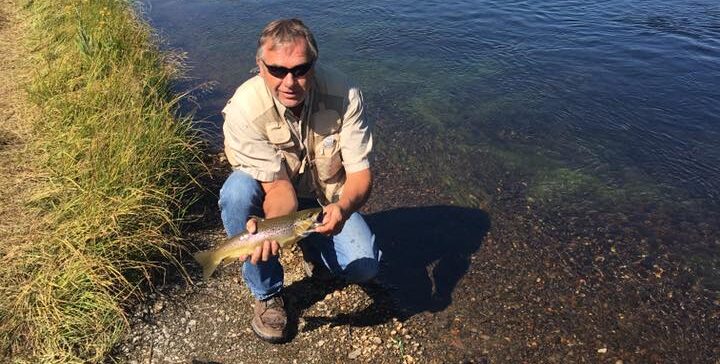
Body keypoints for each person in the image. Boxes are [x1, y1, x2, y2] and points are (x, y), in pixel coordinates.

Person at [218, 18, 381, 343]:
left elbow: (361, 175)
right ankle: (267, 293)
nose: (289, 81)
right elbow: (278, 187)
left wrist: (344, 208)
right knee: (236, 191)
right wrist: (269, 229)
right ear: (260, 65)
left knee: (365, 268)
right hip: (274, 194)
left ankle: (308, 242)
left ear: (314, 64)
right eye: (277, 70)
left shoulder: (345, 94)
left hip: (324, 203)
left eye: (300, 69)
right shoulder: (244, 109)